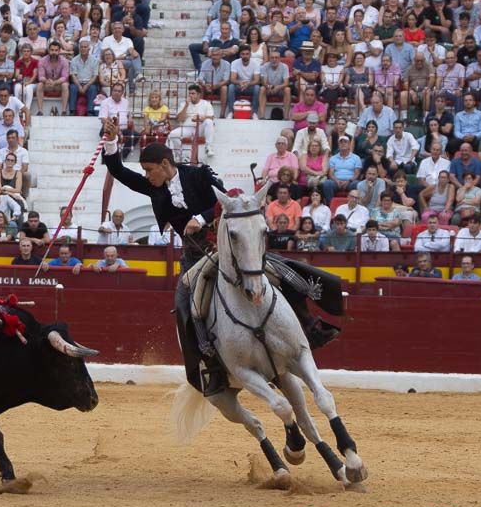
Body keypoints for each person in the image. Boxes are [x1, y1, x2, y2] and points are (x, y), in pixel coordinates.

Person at [100, 117, 341, 397]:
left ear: (166, 165)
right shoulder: (154, 187)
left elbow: (225, 200)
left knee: (278, 271)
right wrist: (111, 140)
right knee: (184, 304)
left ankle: (311, 327)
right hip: (194, 255)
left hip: (225, 247)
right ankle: (208, 361)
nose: (147, 175)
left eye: (149, 170)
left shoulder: (200, 174)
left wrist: (200, 219)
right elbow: (117, 170)